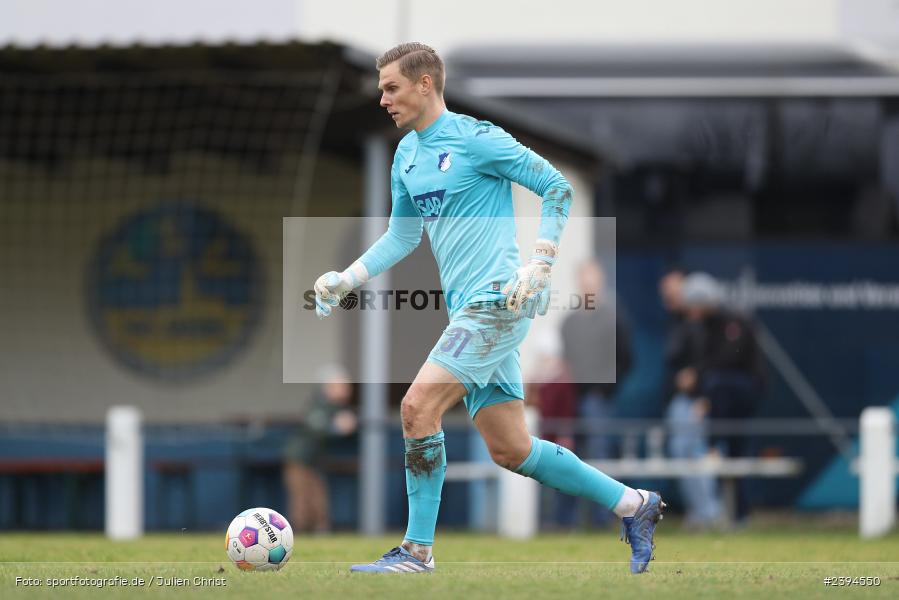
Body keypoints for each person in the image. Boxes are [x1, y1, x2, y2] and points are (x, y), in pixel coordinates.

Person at [313, 42, 664, 575]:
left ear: (425, 83)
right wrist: (348, 279)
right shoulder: (406, 155)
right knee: (512, 449)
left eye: (391, 87)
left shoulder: (477, 139)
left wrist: (542, 262)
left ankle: (416, 552)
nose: (383, 99)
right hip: (465, 313)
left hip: (498, 303)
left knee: (416, 408)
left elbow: (556, 187)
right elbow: (401, 236)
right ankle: (634, 505)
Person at [680, 272, 765, 524]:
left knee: (736, 453)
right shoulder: (705, 326)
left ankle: (714, 443)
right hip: (724, 403)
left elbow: (727, 362)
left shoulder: (732, 322)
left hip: (742, 396)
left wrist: (702, 389)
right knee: (732, 458)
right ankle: (733, 515)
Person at [560, 260, 633, 527]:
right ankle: (566, 521)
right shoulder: (570, 321)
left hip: (599, 400)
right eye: (584, 280)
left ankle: (602, 519)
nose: (589, 286)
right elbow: (566, 360)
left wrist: (605, 390)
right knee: (566, 458)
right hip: (573, 400)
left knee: (600, 456)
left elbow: (626, 357)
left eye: (593, 280)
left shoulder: (614, 317)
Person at [659, 268, 722, 527]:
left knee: (700, 455)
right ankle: (701, 513)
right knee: (681, 453)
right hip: (684, 401)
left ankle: (709, 512)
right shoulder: (680, 325)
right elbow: (673, 360)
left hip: (702, 403)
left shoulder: (714, 327)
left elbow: (717, 363)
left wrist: (702, 391)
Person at [282, 365, 357, 533]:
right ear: (327, 388)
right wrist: (336, 427)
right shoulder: (319, 404)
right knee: (301, 501)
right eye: (340, 386)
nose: (346, 390)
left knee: (318, 500)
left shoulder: (337, 407)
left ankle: (319, 533)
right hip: (299, 460)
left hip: (314, 462)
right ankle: (298, 537)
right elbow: (316, 425)